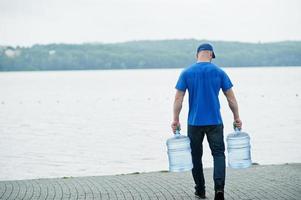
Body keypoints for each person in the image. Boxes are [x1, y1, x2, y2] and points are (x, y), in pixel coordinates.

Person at [171, 43, 242, 200]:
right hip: (215, 122)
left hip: (194, 123)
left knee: (196, 157)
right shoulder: (219, 72)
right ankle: (219, 190)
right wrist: (236, 117)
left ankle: (200, 190)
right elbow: (231, 98)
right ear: (210, 55)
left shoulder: (186, 73)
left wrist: (175, 119)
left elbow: (178, 98)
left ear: (197, 55)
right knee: (218, 154)